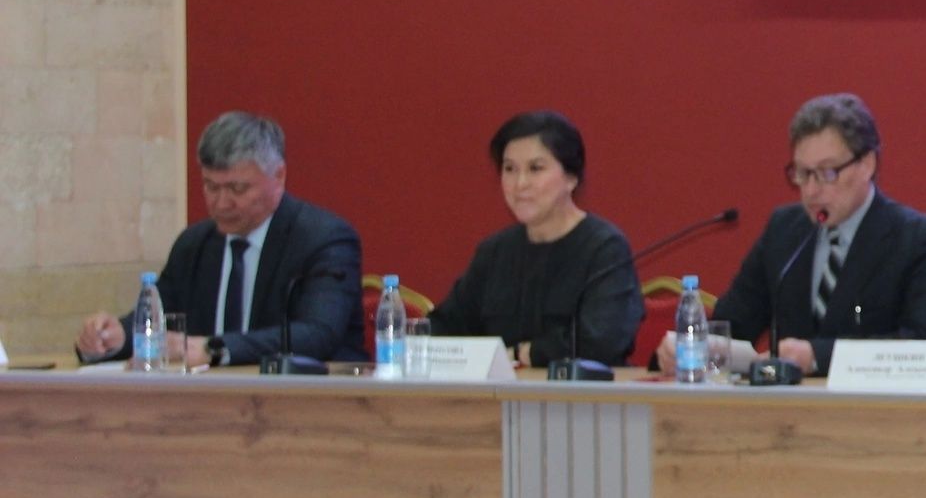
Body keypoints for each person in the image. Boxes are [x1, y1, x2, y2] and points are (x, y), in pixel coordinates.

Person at [668, 93, 926, 376]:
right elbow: (734, 323)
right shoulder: (784, 229)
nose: (811, 190)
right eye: (802, 173)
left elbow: (923, 345)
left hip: (875, 403)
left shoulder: (920, 239)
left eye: (827, 172)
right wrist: (690, 349)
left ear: (867, 164)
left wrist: (817, 356)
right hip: (786, 404)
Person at [74, 111, 364, 366]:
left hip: (304, 401)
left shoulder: (323, 240)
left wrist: (213, 349)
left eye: (238, 189)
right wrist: (115, 337)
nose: (222, 203)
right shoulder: (194, 245)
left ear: (279, 176)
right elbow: (159, 319)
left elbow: (317, 335)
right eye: (211, 187)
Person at [434, 111, 642, 368]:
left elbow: (601, 342)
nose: (520, 183)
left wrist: (525, 353)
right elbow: (444, 328)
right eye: (510, 169)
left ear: (571, 178)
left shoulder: (604, 248)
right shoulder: (494, 252)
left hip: (581, 393)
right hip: (502, 393)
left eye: (535, 169)